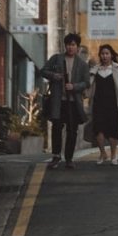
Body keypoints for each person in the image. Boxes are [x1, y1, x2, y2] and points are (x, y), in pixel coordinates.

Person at [40, 32, 90, 170]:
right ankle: (56, 156)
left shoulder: (82, 64)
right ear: (65, 46)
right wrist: (54, 75)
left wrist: (74, 86)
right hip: (58, 100)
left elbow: (86, 83)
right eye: (68, 44)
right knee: (56, 127)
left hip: (73, 102)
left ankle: (69, 158)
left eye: (73, 45)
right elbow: (43, 71)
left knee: (72, 130)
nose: (70, 47)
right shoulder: (57, 58)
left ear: (77, 47)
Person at [89, 42, 118, 164]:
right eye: (102, 54)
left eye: (107, 53)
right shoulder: (95, 70)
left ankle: (113, 155)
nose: (104, 56)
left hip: (113, 105)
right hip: (98, 104)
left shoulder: (117, 70)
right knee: (98, 130)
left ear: (111, 55)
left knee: (113, 131)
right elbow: (89, 86)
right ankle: (102, 153)